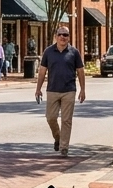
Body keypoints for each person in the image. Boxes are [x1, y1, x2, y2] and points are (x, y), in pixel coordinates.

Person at [35, 26, 85, 157]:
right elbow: (42, 72)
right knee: (50, 118)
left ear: (69, 37)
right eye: (60, 34)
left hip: (69, 90)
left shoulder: (74, 52)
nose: (63, 37)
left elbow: (80, 71)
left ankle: (64, 147)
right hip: (52, 90)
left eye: (66, 35)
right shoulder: (48, 52)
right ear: (56, 36)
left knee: (66, 120)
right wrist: (38, 89)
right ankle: (57, 137)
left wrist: (83, 90)